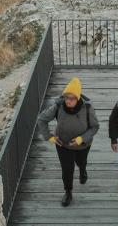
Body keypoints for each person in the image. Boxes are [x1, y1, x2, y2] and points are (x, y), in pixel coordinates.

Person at [37, 77, 100, 206]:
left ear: (77, 98)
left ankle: (83, 170)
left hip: (82, 145)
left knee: (81, 162)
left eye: (71, 98)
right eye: (66, 98)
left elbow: (95, 127)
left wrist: (81, 139)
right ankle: (68, 192)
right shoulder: (58, 106)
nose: (68, 101)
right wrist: (49, 137)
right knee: (67, 169)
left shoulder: (88, 108)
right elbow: (42, 119)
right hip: (62, 144)